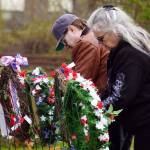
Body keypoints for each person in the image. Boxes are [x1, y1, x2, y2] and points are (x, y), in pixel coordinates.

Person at [87, 5, 150, 150]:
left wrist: (93, 110)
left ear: (115, 30)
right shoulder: (121, 50)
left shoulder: (131, 54)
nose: (101, 45)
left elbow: (120, 96)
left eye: (101, 39)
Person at [51, 14, 109, 93]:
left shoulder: (86, 43)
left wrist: (61, 81)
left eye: (64, 41)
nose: (67, 46)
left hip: (103, 99)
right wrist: (66, 70)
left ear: (71, 29)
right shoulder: (92, 35)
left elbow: (79, 84)